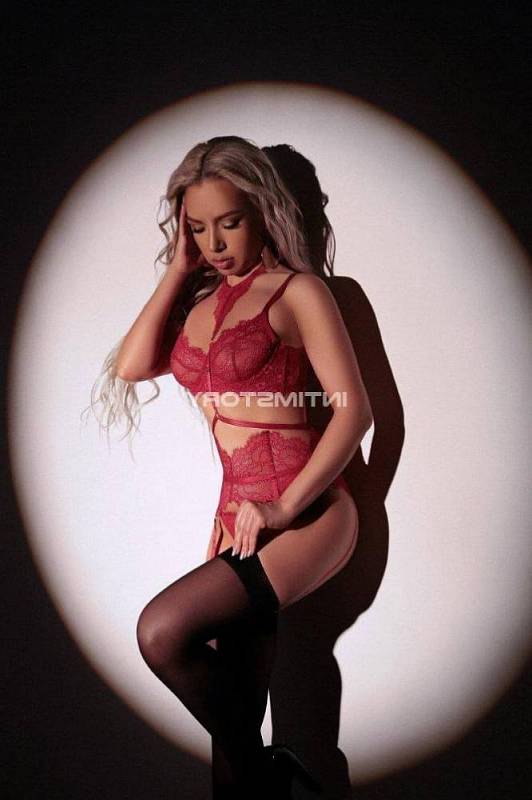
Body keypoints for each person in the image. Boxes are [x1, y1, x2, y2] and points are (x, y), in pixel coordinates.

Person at [86, 135, 373, 799]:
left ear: (263, 211)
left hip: (308, 513)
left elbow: (355, 412)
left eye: (230, 222)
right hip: (236, 517)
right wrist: (177, 270)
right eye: (197, 228)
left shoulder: (300, 292)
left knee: (163, 632)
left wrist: (283, 507)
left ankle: (273, 768)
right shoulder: (200, 304)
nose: (214, 243)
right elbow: (133, 365)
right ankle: (269, 773)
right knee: (230, 743)